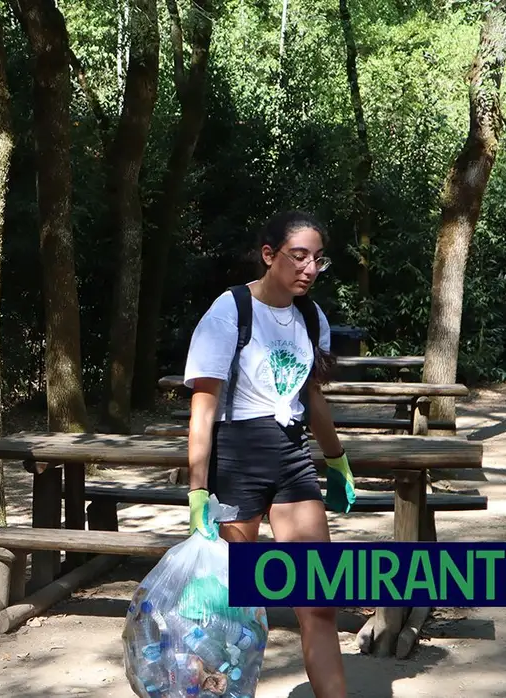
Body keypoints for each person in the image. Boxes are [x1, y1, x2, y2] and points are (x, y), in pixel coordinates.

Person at [181, 210, 356, 698]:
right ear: (268, 255)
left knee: (319, 602)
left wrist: (336, 458)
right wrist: (198, 490)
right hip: (237, 459)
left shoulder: (310, 316)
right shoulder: (229, 311)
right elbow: (204, 404)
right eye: (298, 256)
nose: (308, 268)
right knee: (230, 609)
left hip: (293, 457)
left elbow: (313, 396)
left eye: (318, 260)